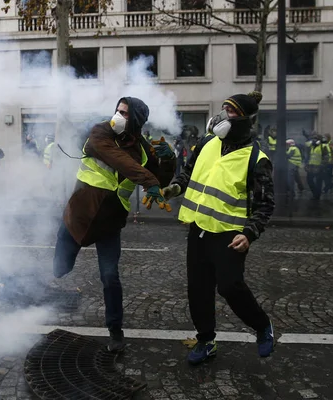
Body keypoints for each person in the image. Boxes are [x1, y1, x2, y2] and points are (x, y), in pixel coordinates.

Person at [53, 97, 176, 352]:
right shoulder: (100, 132)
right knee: (60, 268)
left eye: (125, 114)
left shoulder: (142, 149)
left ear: (137, 121)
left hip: (110, 221)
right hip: (79, 215)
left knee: (110, 277)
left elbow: (160, 178)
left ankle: (115, 331)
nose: (118, 116)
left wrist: (168, 160)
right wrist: (148, 179)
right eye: (118, 110)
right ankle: (57, 271)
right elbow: (119, 160)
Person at [162, 91, 275, 365]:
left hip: (230, 235)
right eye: (224, 108)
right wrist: (175, 186)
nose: (225, 115)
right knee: (198, 289)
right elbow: (188, 172)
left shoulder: (256, 159)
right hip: (198, 229)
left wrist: (249, 234)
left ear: (246, 120)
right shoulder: (207, 143)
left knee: (230, 286)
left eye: (232, 111)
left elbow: (265, 205)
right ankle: (206, 340)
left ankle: (262, 326)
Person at [305, 133, 329, 200]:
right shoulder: (312, 146)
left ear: (319, 140)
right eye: (313, 138)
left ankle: (317, 196)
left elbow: (326, 157)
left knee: (319, 182)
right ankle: (315, 193)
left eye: (316, 139)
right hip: (311, 167)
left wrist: (322, 165)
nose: (314, 140)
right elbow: (306, 145)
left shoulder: (322, 146)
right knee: (309, 180)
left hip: (319, 167)